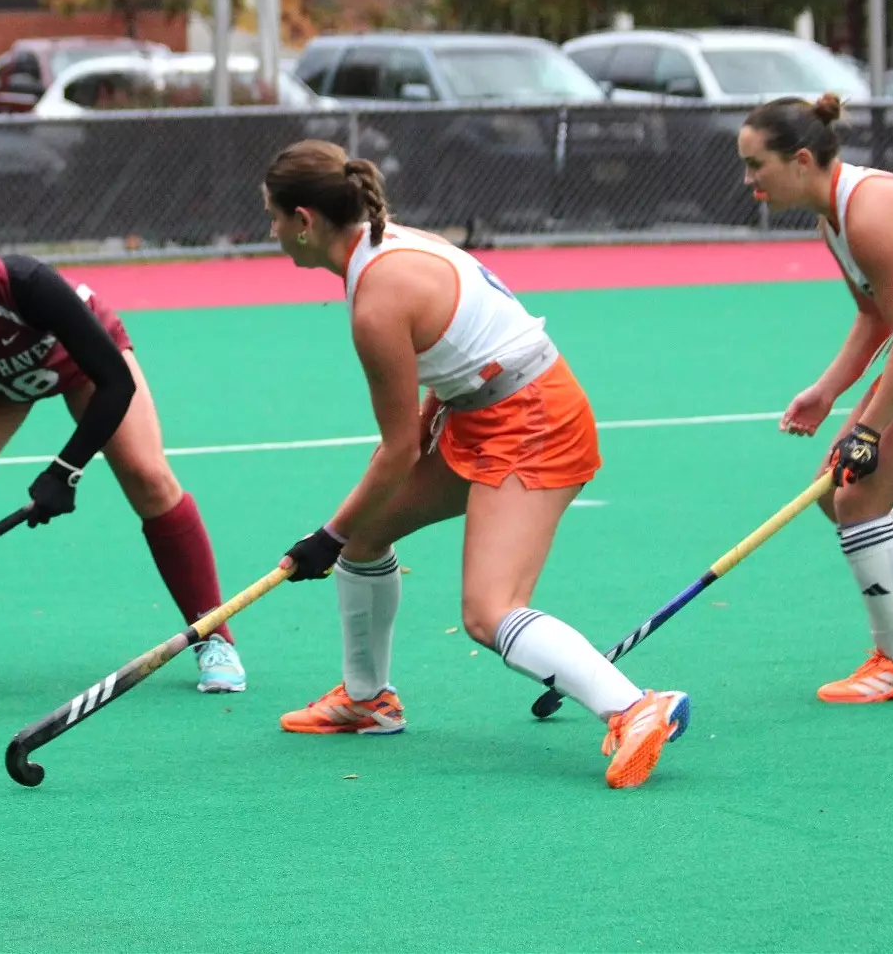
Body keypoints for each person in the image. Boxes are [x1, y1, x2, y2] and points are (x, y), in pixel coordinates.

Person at [258, 139, 690, 790]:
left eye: (272, 218)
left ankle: (634, 707)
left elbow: (397, 451)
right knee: (370, 539)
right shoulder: (386, 241)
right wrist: (436, 407)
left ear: (305, 222)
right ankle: (368, 700)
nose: (270, 234)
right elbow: (465, 332)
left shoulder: (376, 300)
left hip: (533, 420)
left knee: (488, 612)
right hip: (482, 409)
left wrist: (327, 536)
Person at [0, 191, 247, 695]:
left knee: (150, 480)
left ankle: (213, 635)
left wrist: (65, 470)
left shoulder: (29, 285)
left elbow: (115, 383)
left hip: (85, 370)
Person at [740, 92, 893, 703]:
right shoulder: (834, 219)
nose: (749, 180)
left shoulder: (869, 215)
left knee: (856, 498)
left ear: (801, 159)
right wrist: (827, 393)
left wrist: (869, 432)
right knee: (838, 491)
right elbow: (873, 317)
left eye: (757, 165)